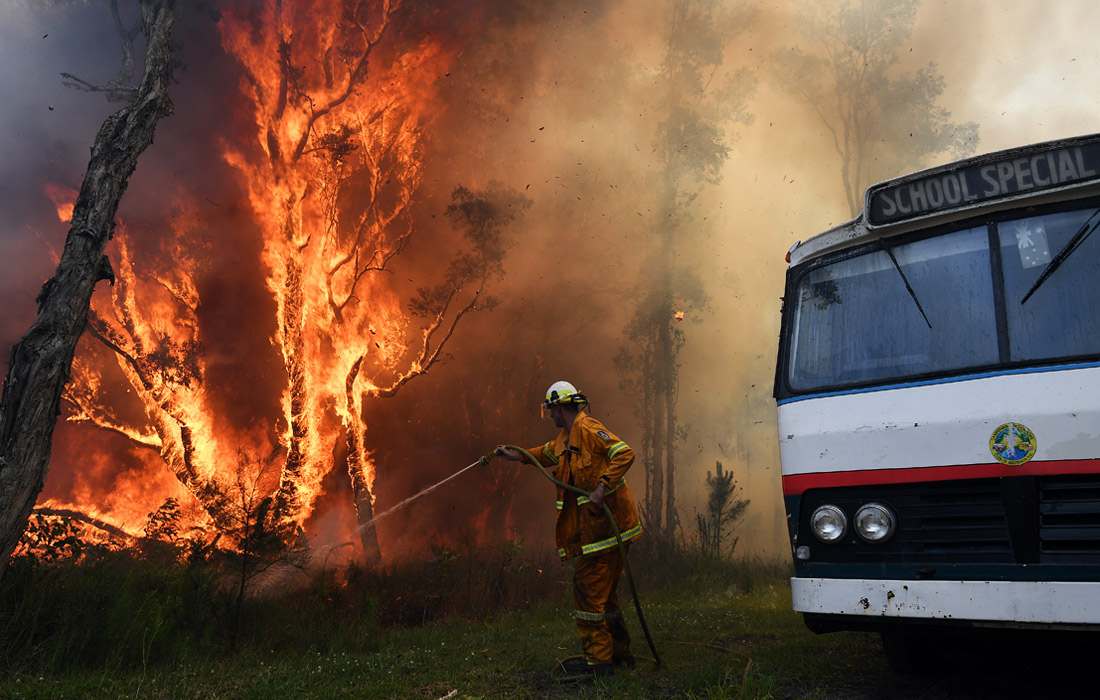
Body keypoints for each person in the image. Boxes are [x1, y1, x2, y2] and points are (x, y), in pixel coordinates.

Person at [489, 380, 642, 676]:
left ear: (560, 408)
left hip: (610, 529)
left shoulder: (588, 429)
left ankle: (598, 661)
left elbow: (624, 453)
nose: (549, 415)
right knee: (604, 594)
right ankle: (620, 654)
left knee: (586, 588)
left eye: (551, 409)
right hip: (602, 532)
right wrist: (516, 455)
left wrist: (602, 487)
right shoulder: (565, 439)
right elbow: (545, 453)